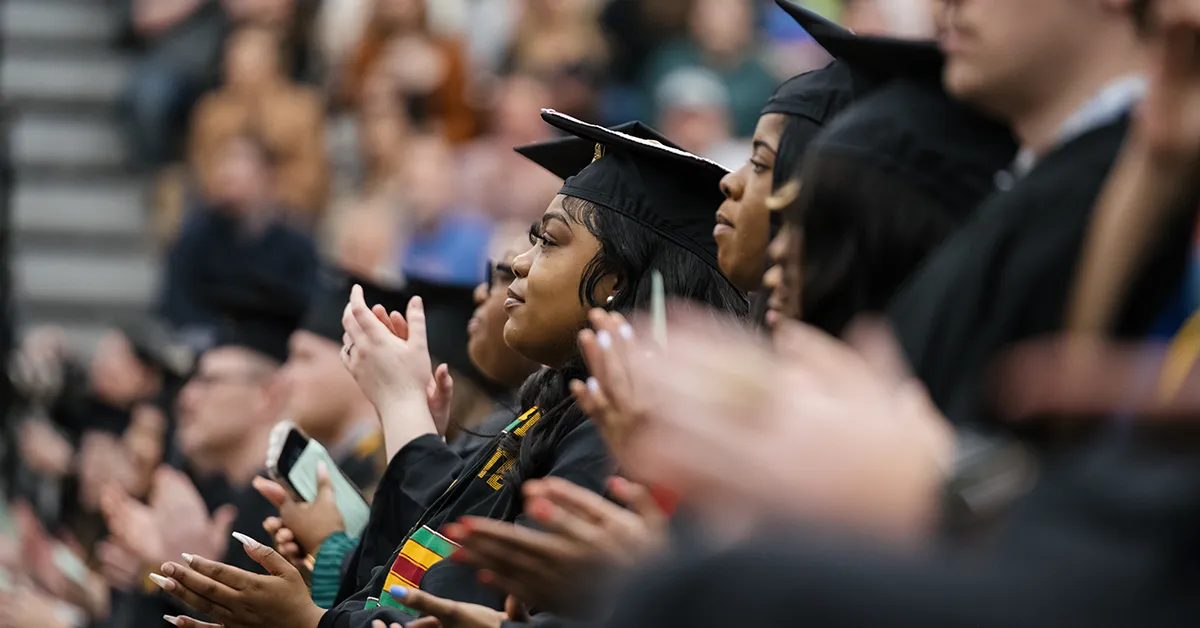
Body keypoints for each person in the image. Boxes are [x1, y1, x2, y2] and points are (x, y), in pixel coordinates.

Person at [148, 112, 747, 628]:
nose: (516, 262)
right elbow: (414, 576)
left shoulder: (613, 444)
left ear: (614, 282)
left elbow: (450, 606)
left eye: (549, 243)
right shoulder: (542, 419)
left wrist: (312, 618)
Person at [102, 293, 297, 627]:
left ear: (267, 395)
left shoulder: (284, 512)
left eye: (209, 381)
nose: (187, 398)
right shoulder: (222, 497)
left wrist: (183, 571)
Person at [159, 131, 319, 349]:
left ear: (267, 175)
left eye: (241, 160)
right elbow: (176, 303)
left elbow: (308, 305)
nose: (228, 172)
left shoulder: (296, 244)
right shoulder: (195, 238)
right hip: (207, 349)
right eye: (225, 161)